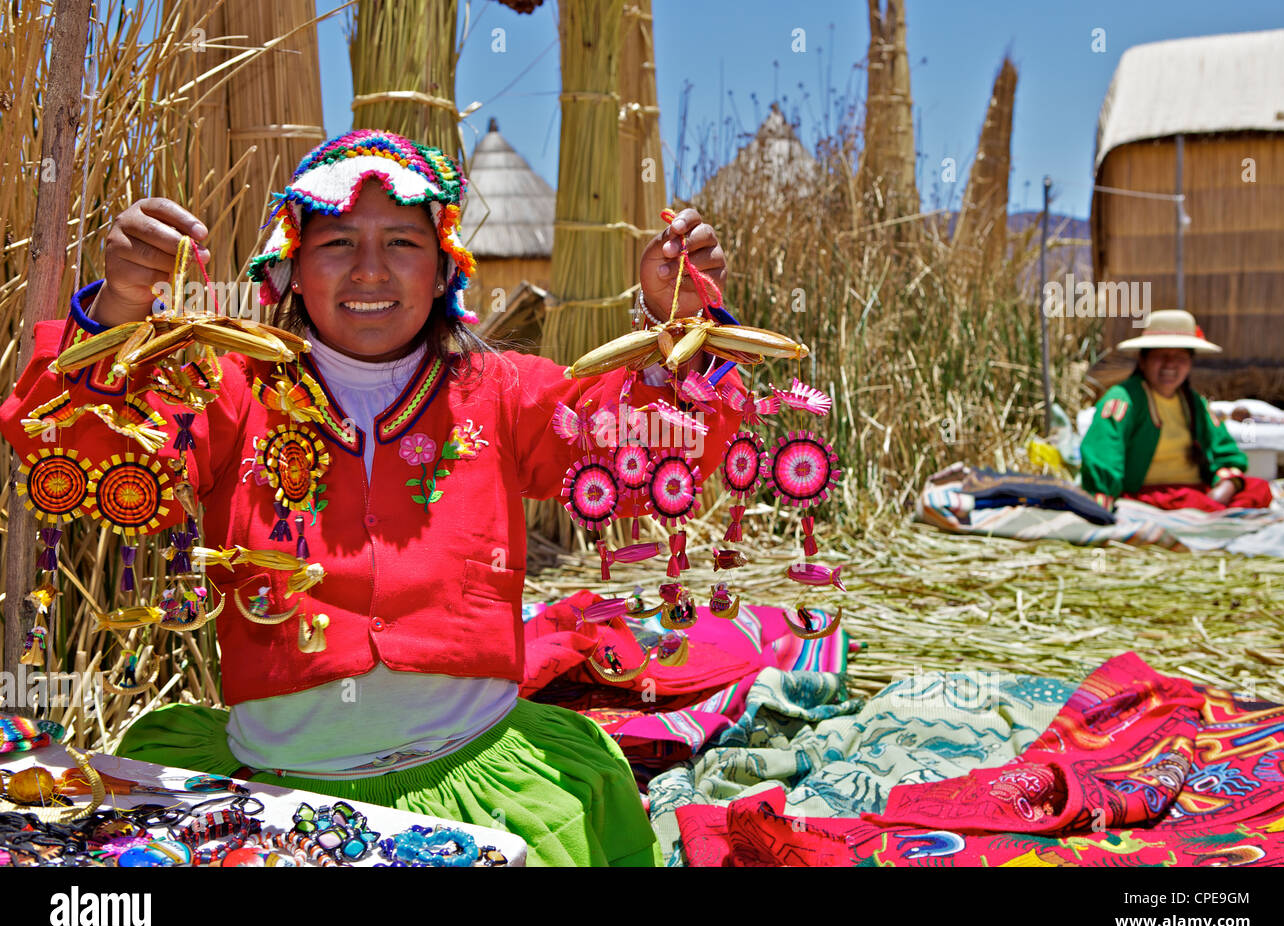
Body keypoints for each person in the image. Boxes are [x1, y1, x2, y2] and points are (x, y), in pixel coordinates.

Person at [0, 129, 748, 866]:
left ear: (444, 270)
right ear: (288, 270)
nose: (369, 272)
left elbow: (647, 451)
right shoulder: (227, 389)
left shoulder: (503, 392)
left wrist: (673, 319)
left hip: (480, 784)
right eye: (336, 245)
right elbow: (78, 460)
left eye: (401, 243)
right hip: (275, 801)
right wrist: (121, 310)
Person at [1080, 309, 1272, 512]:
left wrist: (1226, 486)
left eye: (1180, 357)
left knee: (1259, 489)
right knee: (1196, 505)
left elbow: (1223, 448)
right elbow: (1103, 451)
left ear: (1190, 364)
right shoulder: (1123, 400)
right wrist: (1102, 503)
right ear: (1143, 361)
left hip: (1197, 491)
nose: (1170, 364)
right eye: (1161, 355)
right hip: (1151, 494)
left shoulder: (1193, 403)